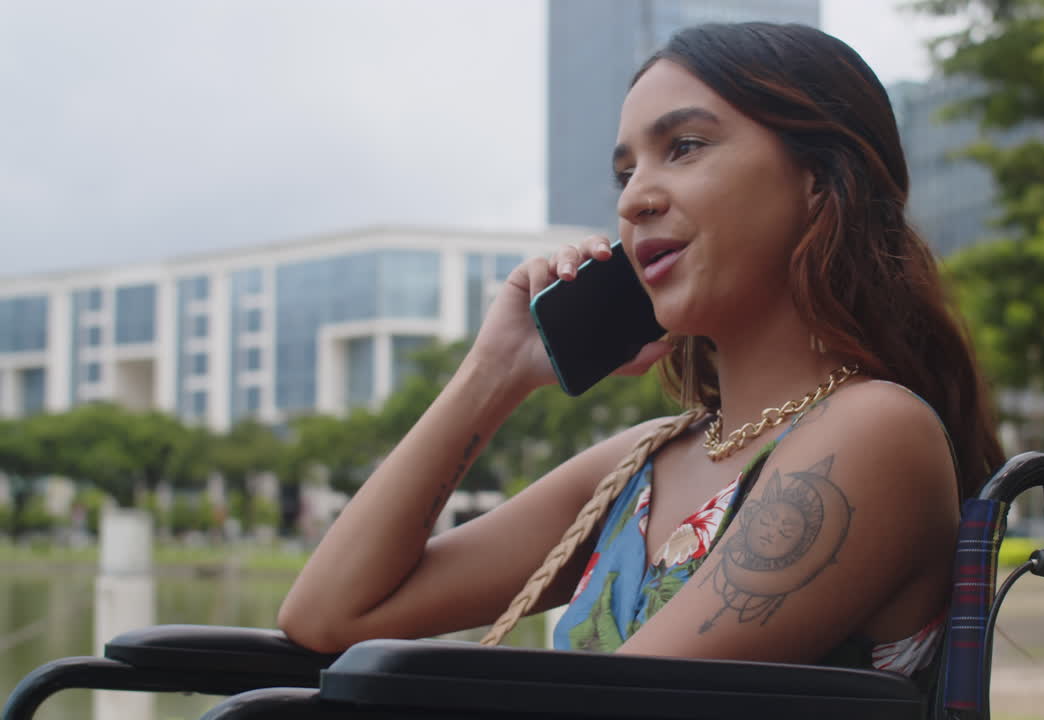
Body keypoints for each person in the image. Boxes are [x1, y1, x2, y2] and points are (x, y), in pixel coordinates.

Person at [277, 22, 1004, 688]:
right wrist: (497, 371)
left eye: (683, 147)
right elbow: (328, 614)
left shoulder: (875, 433)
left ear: (819, 179)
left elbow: (616, 704)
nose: (634, 201)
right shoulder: (640, 466)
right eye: (626, 173)